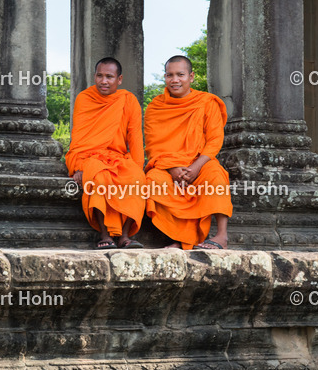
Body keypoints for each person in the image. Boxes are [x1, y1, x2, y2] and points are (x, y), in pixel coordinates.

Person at [143, 55, 232, 249]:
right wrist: (173, 167)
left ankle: (221, 236)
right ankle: (180, 239)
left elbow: (215, 140)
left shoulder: (206, 102)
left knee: (216, 174)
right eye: (170, 75)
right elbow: (153, 146)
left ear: (191, 77)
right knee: (153, 181)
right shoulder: (155, 108)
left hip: (199, 162)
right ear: (165, 77)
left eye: (180, 75)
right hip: (168, 167)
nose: (175, 80)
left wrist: (195, 167)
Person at [65, 57, 146, 249]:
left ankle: (125, 236)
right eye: (100, 76)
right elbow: (78, 136)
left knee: (136, 178)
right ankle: (105, 235)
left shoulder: (128, 100)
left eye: (109, 77)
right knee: (99, 177)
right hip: (90, 156)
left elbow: (135, 137)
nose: (104, 81)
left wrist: (138, 166)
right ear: (94, 76)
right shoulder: (85, 98)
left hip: (117, 157)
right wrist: (78, 166)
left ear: (119, 79)